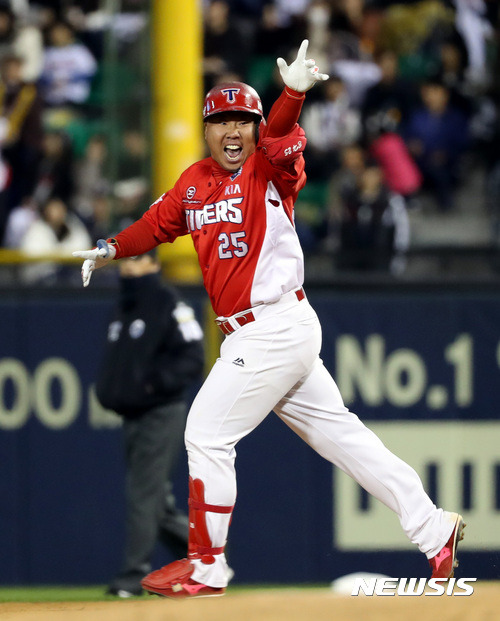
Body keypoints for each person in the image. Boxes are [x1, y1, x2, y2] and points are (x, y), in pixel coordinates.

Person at [73, 40, 465, 599]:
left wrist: (291, 95)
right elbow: (155, 225)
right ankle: (432, 527)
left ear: (255, 129)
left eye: (243, 121)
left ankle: (207, 565)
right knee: (343, 436)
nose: (233, 131)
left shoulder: (270, 167)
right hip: (272, 331)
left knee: (206, 432)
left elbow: (282, 135)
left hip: (272, 325)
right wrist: (112, 247)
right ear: (206, 129)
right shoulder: (194, 182)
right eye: (222, 121)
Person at [95, 252, 205, 597]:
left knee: (143, 494)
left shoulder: (169, 302)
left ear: (155, 265)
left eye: (137, 258)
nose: (128, 265)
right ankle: (204, 561)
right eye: (124, 259)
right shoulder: (124, 305)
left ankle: (133, 575)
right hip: (132, 414)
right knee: (156, 502)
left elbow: (193, 357)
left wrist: (153, 385)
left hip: (161, 411)